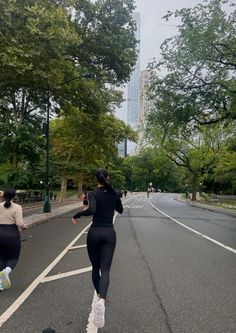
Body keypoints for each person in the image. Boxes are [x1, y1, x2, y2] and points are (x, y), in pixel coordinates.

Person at [72, 169, 123, 328]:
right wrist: (116, 195)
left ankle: (100, 295)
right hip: (109, 233)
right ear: (108, 178)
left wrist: (78, 214)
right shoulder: (113, 194)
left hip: (94, 233)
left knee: (95, 268)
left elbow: (92, 209)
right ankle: (102, 300)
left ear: (97, 179)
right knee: (106, 269)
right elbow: (120, 210)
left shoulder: (93, 193)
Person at [0, 189, 27, 291]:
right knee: (13, 257)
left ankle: (0, 284)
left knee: (1, 257)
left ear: (3, 196)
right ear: (14, 196)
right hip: (12, 235)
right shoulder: (17, 207)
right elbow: (19, 223)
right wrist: (24, 226)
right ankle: (6, 271)